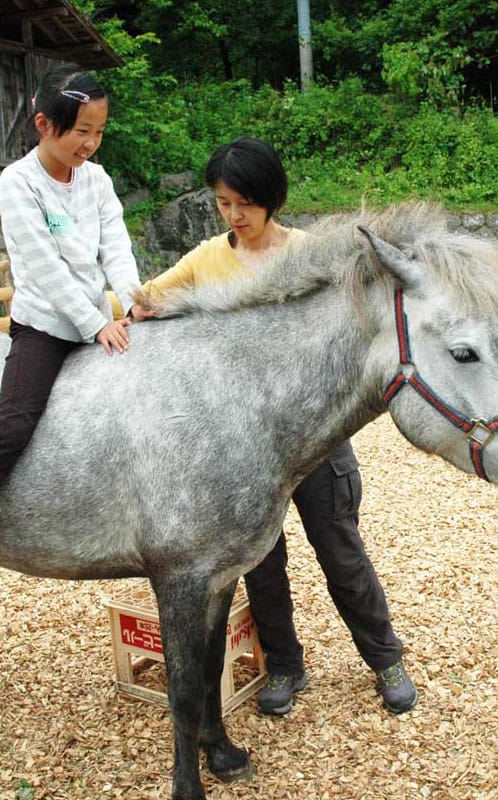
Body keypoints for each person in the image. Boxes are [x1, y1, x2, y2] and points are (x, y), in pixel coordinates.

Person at [130, 136, 418, 715]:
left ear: (271, 199)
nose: (235, 216)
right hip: (241, 450)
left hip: (316, 437)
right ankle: (285, 666)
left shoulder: (312, 255)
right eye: (223, 204)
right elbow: (144, 302)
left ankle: (385, 657)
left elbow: (358, 320)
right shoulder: (207, 259)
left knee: (340, 550)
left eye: (245, 204)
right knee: (261, 564)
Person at [0, 67, 142, 626]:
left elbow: (116, 247)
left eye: (98, 131)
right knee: (13, 424)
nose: (90, 143)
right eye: (80, 132)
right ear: (45, 124)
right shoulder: (17, 184)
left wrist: (137, 300)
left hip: (97, 318)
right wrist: (96, 324)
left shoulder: (97, 180)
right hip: (46, 325)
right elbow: (43, 270)